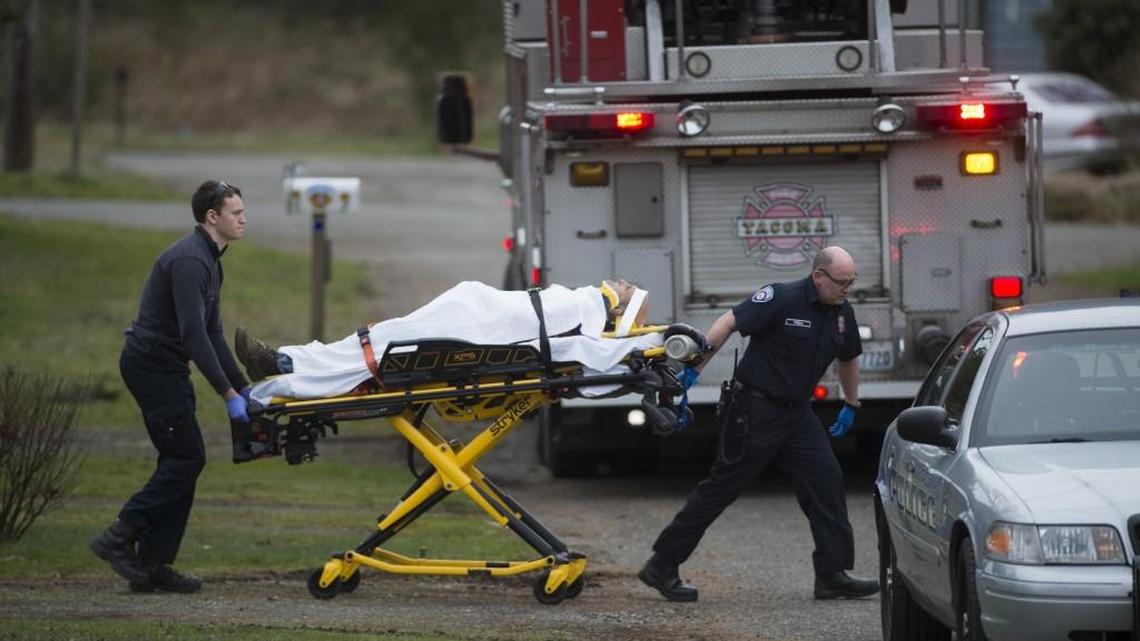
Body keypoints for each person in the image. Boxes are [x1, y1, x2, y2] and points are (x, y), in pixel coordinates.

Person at [639, 246, 878, 602]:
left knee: (826, 480)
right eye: (841, 282)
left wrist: (851, 402)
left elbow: (849, 356)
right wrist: (691, 371)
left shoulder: (842, 313)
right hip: (755, 410)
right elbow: (728, 322)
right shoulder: (782, 298)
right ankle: (661, 565)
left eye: (851, 282)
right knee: (721, 488)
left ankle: (832, 575)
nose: (847, 289)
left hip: (798, 416)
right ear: (818, 276)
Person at [90, 180, 252, 594]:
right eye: (236, 212)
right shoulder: (190, 261)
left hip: (167, 368)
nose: (243, 219)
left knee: (184, 459)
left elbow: (213, 332)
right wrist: (228, 396)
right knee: (185, 458)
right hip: (151, 366)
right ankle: (120, 534)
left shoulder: (211, 259)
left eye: (242, 211)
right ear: (211, 217)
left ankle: (149, 566)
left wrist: (244, 388)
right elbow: (193, 335)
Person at [236, 279, 653, 403]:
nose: (617, 281)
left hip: (474, 327)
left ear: (618, 307)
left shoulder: (586, 314)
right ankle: (285, 362)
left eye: (625, 287)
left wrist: (620, 311)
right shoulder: (585, 307)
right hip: (471, 313)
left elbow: (592, 348)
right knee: (380, 338)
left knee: (381, 349)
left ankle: (285, 369)